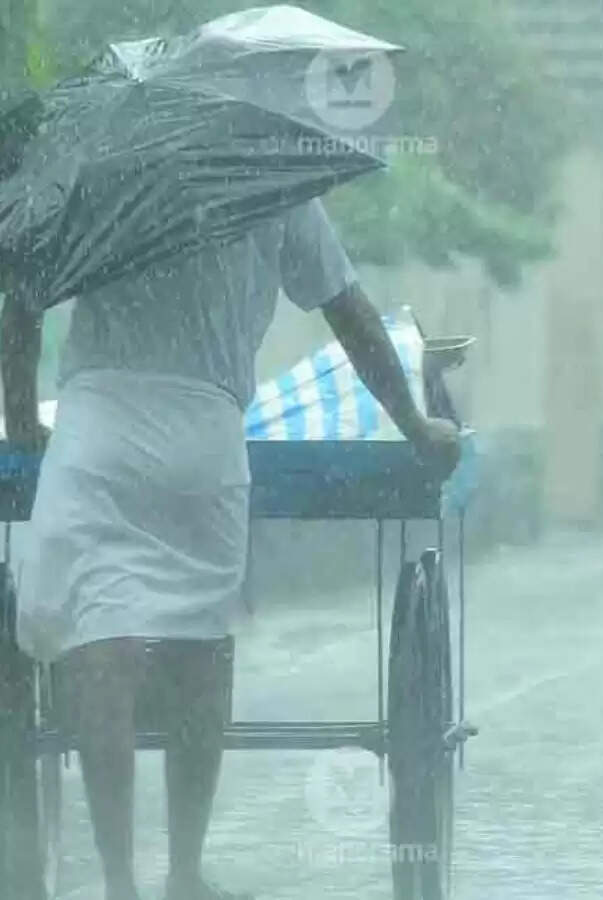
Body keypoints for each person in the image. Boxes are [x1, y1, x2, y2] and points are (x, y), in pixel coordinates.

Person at [1, 198, 460, 900]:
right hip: (204, 439)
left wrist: (18, 415)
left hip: (97, 437)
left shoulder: (101, 171)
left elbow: (24, 293)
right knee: (200, 646)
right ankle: (184, 873)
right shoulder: (271, 180)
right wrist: (416, 426)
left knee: (100, 644)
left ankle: (119, 881)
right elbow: (351, 315)